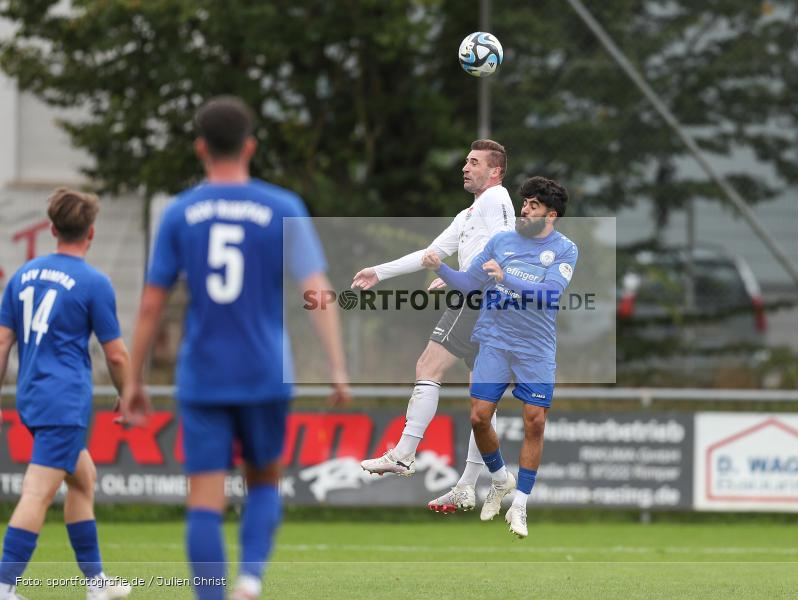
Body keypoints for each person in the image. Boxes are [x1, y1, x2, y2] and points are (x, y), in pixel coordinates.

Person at [121, 97, 350, 600]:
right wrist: (336, 366)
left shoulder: (181, 212)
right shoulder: (282, 206)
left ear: (201, 147)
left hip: (202, 375)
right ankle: (248, 582)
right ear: (250, 146)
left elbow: (149, 306)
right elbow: (316, 292)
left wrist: (133, 380)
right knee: (264, 478)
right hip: (266, 371)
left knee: (204, 493)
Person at [354, 139, 515, 513]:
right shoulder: (467, 215)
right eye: (465, 161)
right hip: (489, 302)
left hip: (479, 299)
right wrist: (379, 272)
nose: (465, 167)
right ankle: (468, 484)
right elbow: (430, 254)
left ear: (494, 172)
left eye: (474, 162)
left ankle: (405, 454)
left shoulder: (497, 198)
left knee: (428, 367)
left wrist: (464, 277)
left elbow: (504, 244)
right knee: (482, 402)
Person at [422, 176, 577, 538]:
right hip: (494, 339)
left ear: (550, 215)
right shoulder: (501, 241)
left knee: (534, 421)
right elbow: (471, 283)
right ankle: (498, 478)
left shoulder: (566, 249)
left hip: (535, 347)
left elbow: (550, 294)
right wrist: (440, 268)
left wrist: (507, 279)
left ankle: (519, 505)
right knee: (479, 417)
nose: (524, 210)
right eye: (524, 203)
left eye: (533, 205)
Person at [0, 189, 133, 599]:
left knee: (83, 479)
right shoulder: (94, 282)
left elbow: (2, 343)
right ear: (91, 232)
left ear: (53, 229)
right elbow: (117, 354)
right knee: (38, 492)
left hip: (34, 397)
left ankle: (96, 584)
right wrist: (127, 394)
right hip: (65, 401)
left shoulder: (23, 275)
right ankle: (5, 585)